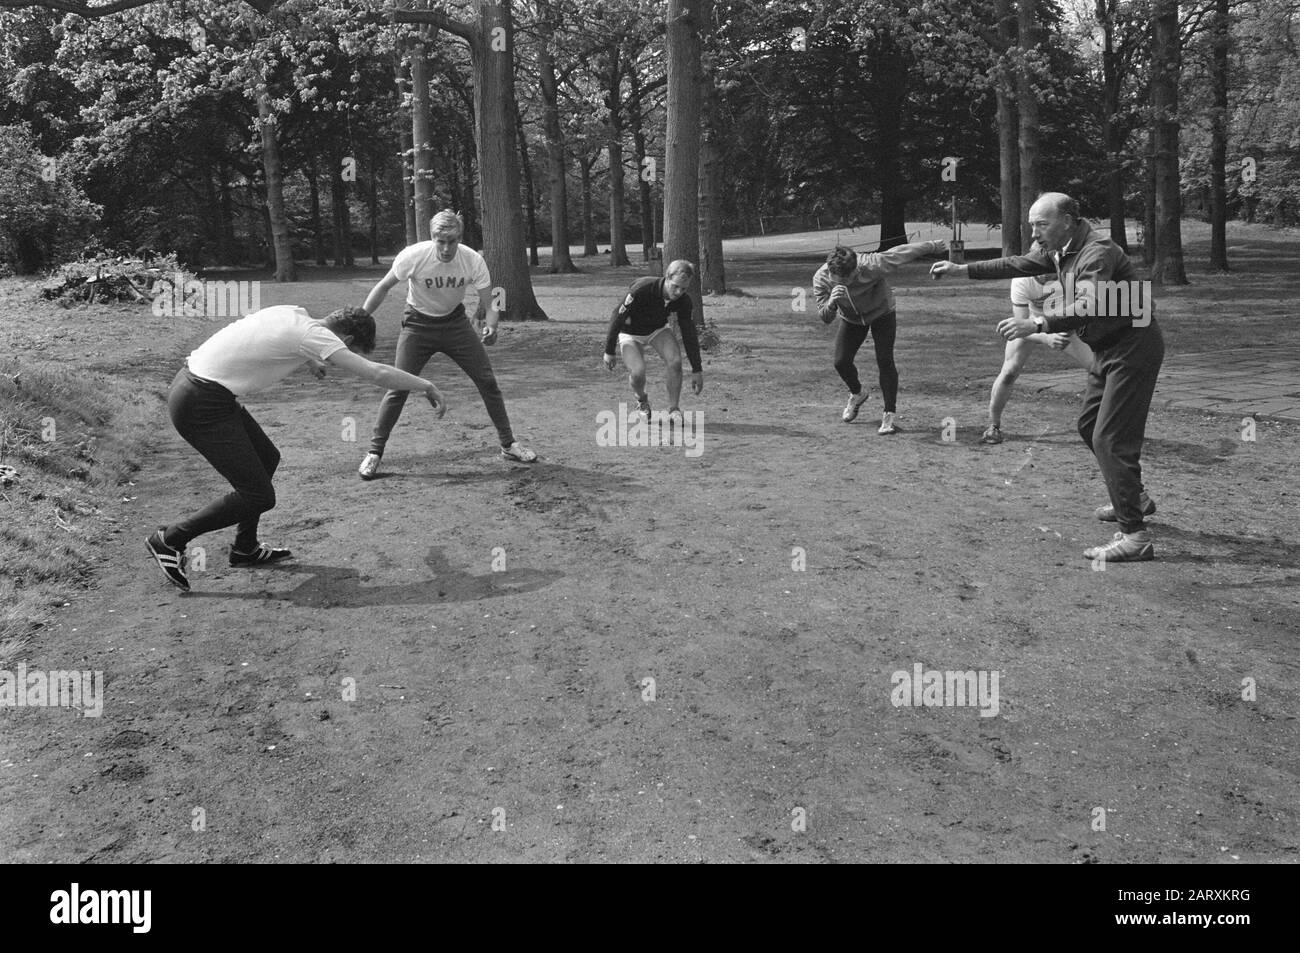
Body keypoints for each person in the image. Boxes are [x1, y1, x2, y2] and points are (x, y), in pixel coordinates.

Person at [931, 192, 1163, 563]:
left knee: (1109, 437)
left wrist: (1037, 323)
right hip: (1108, 347)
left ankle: (1135, 536)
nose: (1035, 233)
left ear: (1068, 220)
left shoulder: (1095, 251)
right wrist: (962, 270)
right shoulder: (1060, 247)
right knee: (1089, 426)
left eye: (1042, 224)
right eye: (1032, 225)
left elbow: (1090, 304)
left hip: (1133, 346)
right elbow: (1018, 263)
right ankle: (1133, 497)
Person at [145, 305, 446, 592]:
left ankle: (245, 548)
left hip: (196, 386)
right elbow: (377, 373)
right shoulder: (313, 336)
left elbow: (266, 339)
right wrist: (424, 385)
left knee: (267, 458)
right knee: (258, 495)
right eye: (346, 351)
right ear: (347, 339)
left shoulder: (295, 314)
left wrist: (311, 359)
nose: (337, 358)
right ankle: (169, 539)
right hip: (201, 403)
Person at [356, 210, 536, 480]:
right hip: (417, 325)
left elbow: (491, 303)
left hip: (455, 324)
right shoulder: (414, 256)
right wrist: (359, 321)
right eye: (440, 241)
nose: (446, 248)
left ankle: (508, 444)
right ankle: (374, 452)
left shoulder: (472, 260)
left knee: (488, 381)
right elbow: (383, 287)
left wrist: (493, 324)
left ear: (459, 238)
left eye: (452, 241)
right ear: (432, 238)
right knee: (398, 387)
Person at [813, 238, 947, 433]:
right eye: (838, 280)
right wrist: (832, 302)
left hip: (882, 312)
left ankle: (888, 415)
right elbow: (825, 317)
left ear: (856, 270)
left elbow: (900, 253)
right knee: (841, 362)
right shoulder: (821, 278)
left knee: (885, 360)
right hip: (852, 319)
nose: (843, 283)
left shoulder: (871, 264)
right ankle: (857, 394)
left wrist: (932, 246)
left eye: (847, 280)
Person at [981, 271, 1094, 444]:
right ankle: (993, 426)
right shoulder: (1021, 280)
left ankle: (1105, 425)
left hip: (1063, 322)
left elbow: (1080, 309)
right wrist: (1048, 338)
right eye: (1039, 269)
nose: (1045, 274)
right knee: (1009, 371)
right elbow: (1020, 326)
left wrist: (1068, 331)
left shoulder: (1067, 271)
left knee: (1097, 368)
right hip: (1030, 324)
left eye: (1049, 268)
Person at [602, 259, 704, 420]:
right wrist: (609, 351)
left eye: (683, 289)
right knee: (638, 371)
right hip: (630, 333)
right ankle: (642, 400)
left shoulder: (684, 301)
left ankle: (674, 409)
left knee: (675, 361)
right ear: (667, 278)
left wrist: (697, 369)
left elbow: (689, 333)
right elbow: (617, 315)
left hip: (657, 330)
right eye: (675, 286)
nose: (678, 292)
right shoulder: (642, 289)